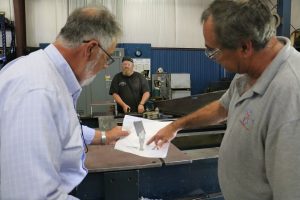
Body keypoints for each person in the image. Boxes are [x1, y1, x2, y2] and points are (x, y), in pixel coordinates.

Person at [147, 0, 300, 199]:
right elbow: (221, 108)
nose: (211, 56)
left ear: (245, 47)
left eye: (213, 51)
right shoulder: (248, 71)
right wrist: (176, 126)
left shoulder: (290, 98)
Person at [0, 7, 129, 199]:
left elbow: (61, 128)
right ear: (90, 49)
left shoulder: (44, 73)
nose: (104, 67)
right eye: (107, 59)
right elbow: (32, 196)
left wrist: (104, 137)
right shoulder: (39, 93)